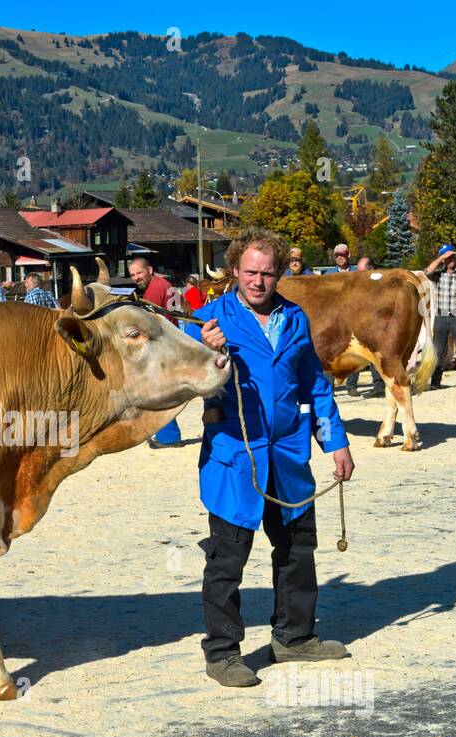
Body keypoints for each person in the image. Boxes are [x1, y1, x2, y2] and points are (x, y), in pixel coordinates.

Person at [185, 227, 354, 688]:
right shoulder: (208, 320)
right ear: (235, 270)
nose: (258, 281)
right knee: (227, 559)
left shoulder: (295, 317)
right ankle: (222, 654)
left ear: (278, 273)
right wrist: (204, 349)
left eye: (267, 273)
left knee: (298, 548)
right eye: (250, 272)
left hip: (289, 454)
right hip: (235, 457)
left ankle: (294, 637)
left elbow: (314, 384)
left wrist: (335, 441)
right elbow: (178, 372)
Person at [130, 257, 181, 446]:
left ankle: (169, 437)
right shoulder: (166, 284)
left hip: (164, 345)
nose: (136, 277)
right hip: (173, 340)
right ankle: (168, 435)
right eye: (133, 275)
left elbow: (147, 322)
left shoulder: (154, 289)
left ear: (150, 270)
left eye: (139, 273)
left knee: (161, 392)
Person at [424, 245, 456, 391]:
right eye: (448, 257)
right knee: (438, 351)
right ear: (443, 260)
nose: (452, 259)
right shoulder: (437, 275)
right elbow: (427, 271)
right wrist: (441, 257)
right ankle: (435, 382)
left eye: (453, 256)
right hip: (441, 317)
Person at [345, 255, 385, 397]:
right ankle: (351, 386)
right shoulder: (357, 283)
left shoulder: (381, 282)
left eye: (362, 271)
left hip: (375, 324)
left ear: (371, 268)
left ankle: (379, 386)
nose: (360, 274)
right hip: (358, 324)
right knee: (356, 354)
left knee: (375, 355)